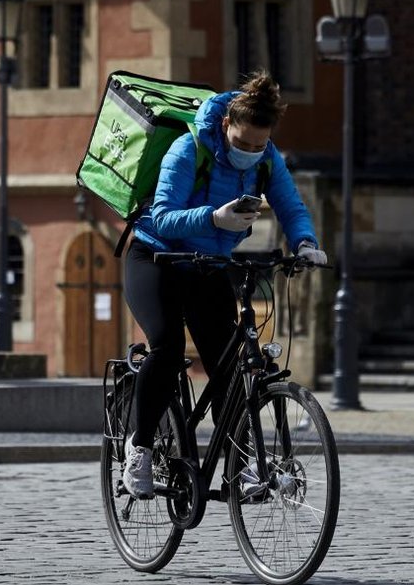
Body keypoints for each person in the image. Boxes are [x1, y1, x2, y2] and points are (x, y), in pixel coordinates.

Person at [120, 70, 327, 498]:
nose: (251, 152)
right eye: (243, 143)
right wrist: (213, 217)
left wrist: (305, 242)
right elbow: (161, 215)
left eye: (259, 145)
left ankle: (244, 462)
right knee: (166, 346)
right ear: (226, 126)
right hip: (155, 257)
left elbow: (290, 205)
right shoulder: (187, 149)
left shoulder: (267, 159)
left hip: (208, 265)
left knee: (229, 366)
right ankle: (138, 447)